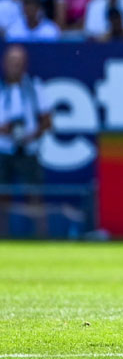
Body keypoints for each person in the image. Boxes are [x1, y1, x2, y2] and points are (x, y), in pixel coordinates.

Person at [0, 45, 52, 235]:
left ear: (25, 65)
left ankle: (42, 238)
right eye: (12, 62)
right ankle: (3, 238)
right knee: (2, 197)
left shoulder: (35, 86)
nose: (15, 66)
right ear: (4, 64)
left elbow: (47, 121)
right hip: (3, 150)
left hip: (29, 150)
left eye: (19, 62)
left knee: (35, 197)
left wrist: (31, 135)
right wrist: (4, 130)